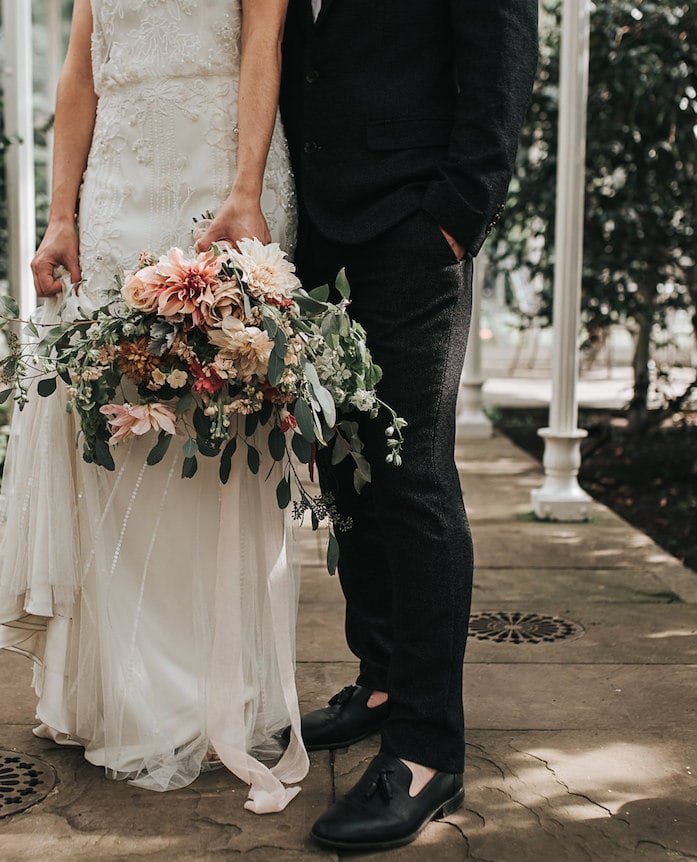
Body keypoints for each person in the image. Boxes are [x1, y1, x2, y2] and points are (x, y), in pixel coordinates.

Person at [0, 0, 308, 814]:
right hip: (117, 196)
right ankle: (122, 692)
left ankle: (208, 696)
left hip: (221, 184)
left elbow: (262, 43)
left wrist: (244, 188)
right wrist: (61, 217)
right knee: (115, 434)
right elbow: (80, 73)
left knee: (215, 436)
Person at [280, 0, 539, 849]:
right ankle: (382, 679)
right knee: (346, 467)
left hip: (413, 230)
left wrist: (456, 219)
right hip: (314, 232)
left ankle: (426, 749)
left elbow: (501, 68)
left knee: (412, 475)